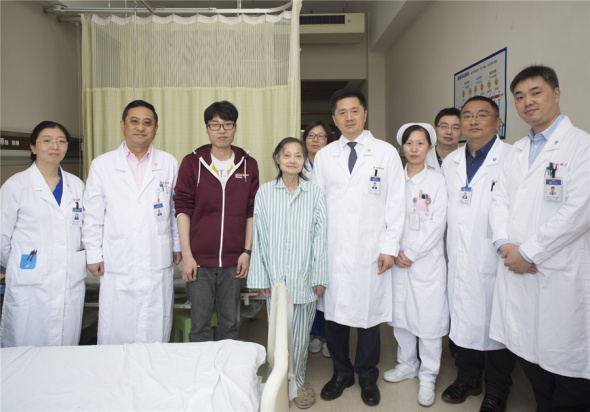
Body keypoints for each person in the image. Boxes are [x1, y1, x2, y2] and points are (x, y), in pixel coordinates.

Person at [489, 65, 590, 411]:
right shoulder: (515, 151)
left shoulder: (581, 147)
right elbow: (499, 201)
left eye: (536, 92)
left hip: (557, 272)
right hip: (516, 264)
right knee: (531, 356)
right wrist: (505, 245)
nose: (527, 102)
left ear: (556, 94)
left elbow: (578, 212)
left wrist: (529, 252)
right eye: (519, 96)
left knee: (566, 363)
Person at [312, 89, 405, 407]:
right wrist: (316, 251)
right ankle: (341, 372)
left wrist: (389, 246)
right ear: (335, 119)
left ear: (365, 114)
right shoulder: (325, 156)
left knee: (369, 317)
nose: (349, 117)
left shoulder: (386, 152)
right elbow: (317, 205)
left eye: (354, 110)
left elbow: (396, 202)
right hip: (333, 250)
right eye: (342, 112)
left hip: (371, 249)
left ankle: (367, 376)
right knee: (335, 317)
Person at [83, 100, 181, 345]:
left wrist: (177, 244)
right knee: (117, 325)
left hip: (156, 257)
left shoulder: (168, 162)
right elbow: (93, 215)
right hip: (118, 258)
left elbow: (175, 208)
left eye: (147, 123)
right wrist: (93, 254)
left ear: (156, 128)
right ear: (122, 125)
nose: (141, 127)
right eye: (134, 121)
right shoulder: (102, 164)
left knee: (155, 326)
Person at [441, 96, 516, 412]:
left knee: (497, 326)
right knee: (463, 319)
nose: (473, 121)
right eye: (467, 115)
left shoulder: (512, 158)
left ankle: (497, 390)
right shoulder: (451, 162)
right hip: (459, 254)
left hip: (497, 256)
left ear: (497, 122)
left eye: (481, 115)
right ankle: (468, 379)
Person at [248, 137, 328, 409]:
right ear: (278, 159)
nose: (292, 160)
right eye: (287, 155)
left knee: (301, 335)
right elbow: (258, 237)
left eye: (298, 155)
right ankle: (277, 380)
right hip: (276, 279)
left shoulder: (314, 193)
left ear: (304, 160)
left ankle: (299, 379)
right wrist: (260, 278)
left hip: (304, 277)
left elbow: (320, 237)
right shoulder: (265, 192)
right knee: (278, 334)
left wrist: (319, 275)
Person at [173, 100, 259, 342]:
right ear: (207, 129)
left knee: (230, 322)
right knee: (199, 323)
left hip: (234, 260)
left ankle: (227, 374)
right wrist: (187, 255)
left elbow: (251, 211)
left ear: (235, 128)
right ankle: (201, 377)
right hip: (199, 261)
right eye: (215, 125)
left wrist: (246, 251)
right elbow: (182, 210)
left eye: (227, 125)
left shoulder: (248, 164)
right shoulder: (192, 163)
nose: (221, 130)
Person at [0, 121, 86, 347]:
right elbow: (2, 239)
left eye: (61, 141)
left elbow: (83, 230)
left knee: (64, 349)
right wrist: (25, 264)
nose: (54, 146)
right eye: (46, 140)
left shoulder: (76, 185)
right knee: (25, 348)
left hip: (69, 281)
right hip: (30, 283)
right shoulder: (16, 185)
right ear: (33, 147)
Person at [384, 123, 448, 407]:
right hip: (397, 257)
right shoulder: (393, 177)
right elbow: (383, 215)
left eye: (420, 144)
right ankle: (407, 364)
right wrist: (394, 249)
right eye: (409, 143)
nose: (413, 149)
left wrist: (411, 251)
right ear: (402, 146)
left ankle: (428, 374)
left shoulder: (437, 181)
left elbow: (438, 222)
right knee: (402, 316)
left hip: (426, 261)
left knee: (429, 320)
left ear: (429, 147)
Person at [301, 120, 334, 357]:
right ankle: (314, 333)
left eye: (321, 136)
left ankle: (328, 336)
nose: (315, 140)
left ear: (328, 140)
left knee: (329, 288)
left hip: (332, 233)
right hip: (306, 234)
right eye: (311, 135)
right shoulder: (295, 164)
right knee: (310, 287)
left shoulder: (334, 164)